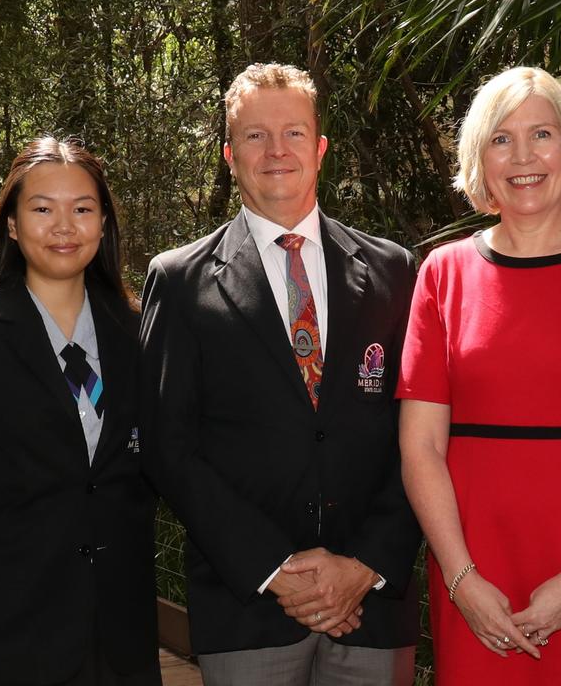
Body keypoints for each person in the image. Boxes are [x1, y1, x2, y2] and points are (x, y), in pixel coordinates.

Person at [139, 63, 421, 686]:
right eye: (254, 136)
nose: (276, 151)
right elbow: (169, 447)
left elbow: (422, 434)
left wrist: (366, 565)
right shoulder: (181, 280)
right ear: (229, 155)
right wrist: (276, 570)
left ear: (320, 149)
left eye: (293, 133)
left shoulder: (395, 270)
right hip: (247, 609)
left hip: (372, 606)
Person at [396, 66, 561, 685]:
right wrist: (462, 578)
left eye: (541, 134)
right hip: (473, 568)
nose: (522, 156)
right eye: (500, 139)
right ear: (478, 159)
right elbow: (420, 447)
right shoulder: (441, 274)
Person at [0, 137, 160, 685]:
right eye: (43, 209)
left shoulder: (139, 331)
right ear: (13, 225)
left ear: (103, 223)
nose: (64, 227)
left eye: (83, 209)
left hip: (123, 630)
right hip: (13, 628)